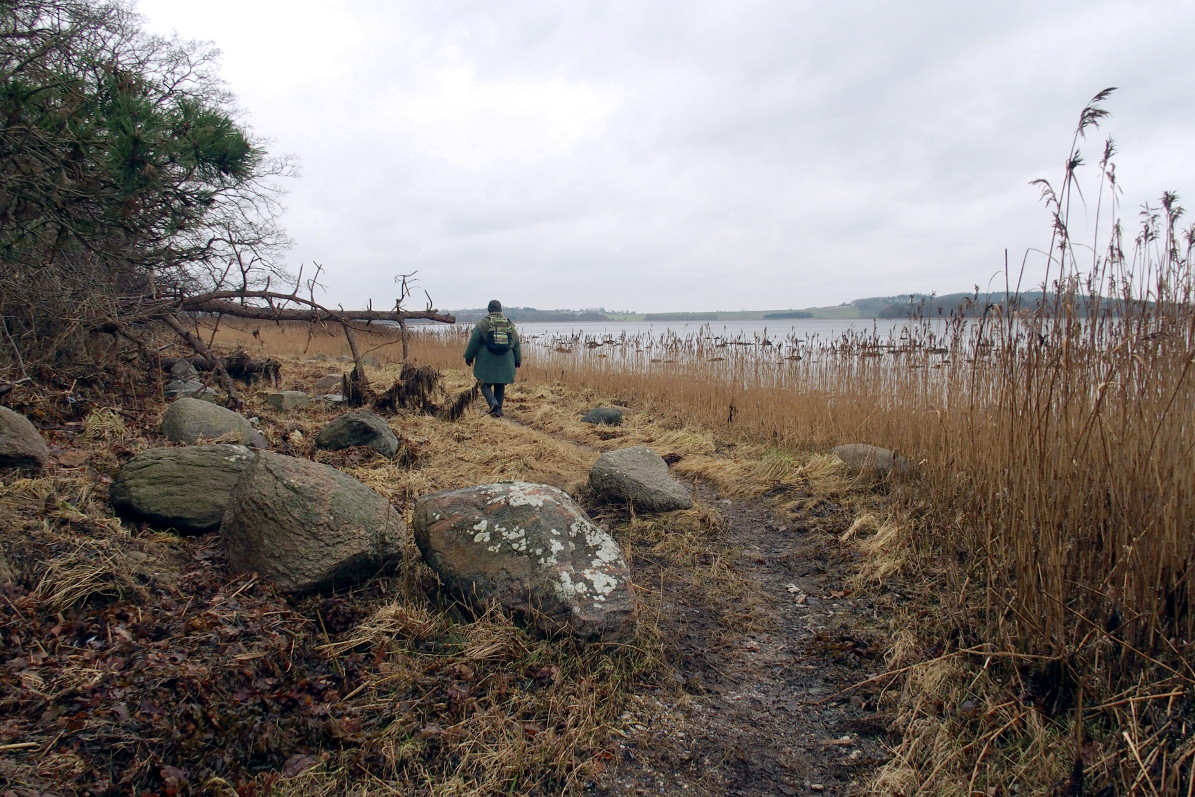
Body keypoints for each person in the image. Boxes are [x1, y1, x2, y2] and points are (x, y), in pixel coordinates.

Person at [464, 299, 521, 417]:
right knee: (500, 384)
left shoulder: (482, 323)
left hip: (486, 359)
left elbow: (474, 341)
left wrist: (468, 357)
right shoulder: (509, 324)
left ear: (489, 310)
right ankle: (498, 410)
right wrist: (517, 360)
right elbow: (516, 342)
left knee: (484, 384)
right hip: (506, 359)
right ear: (500, 310)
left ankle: (493, 404)